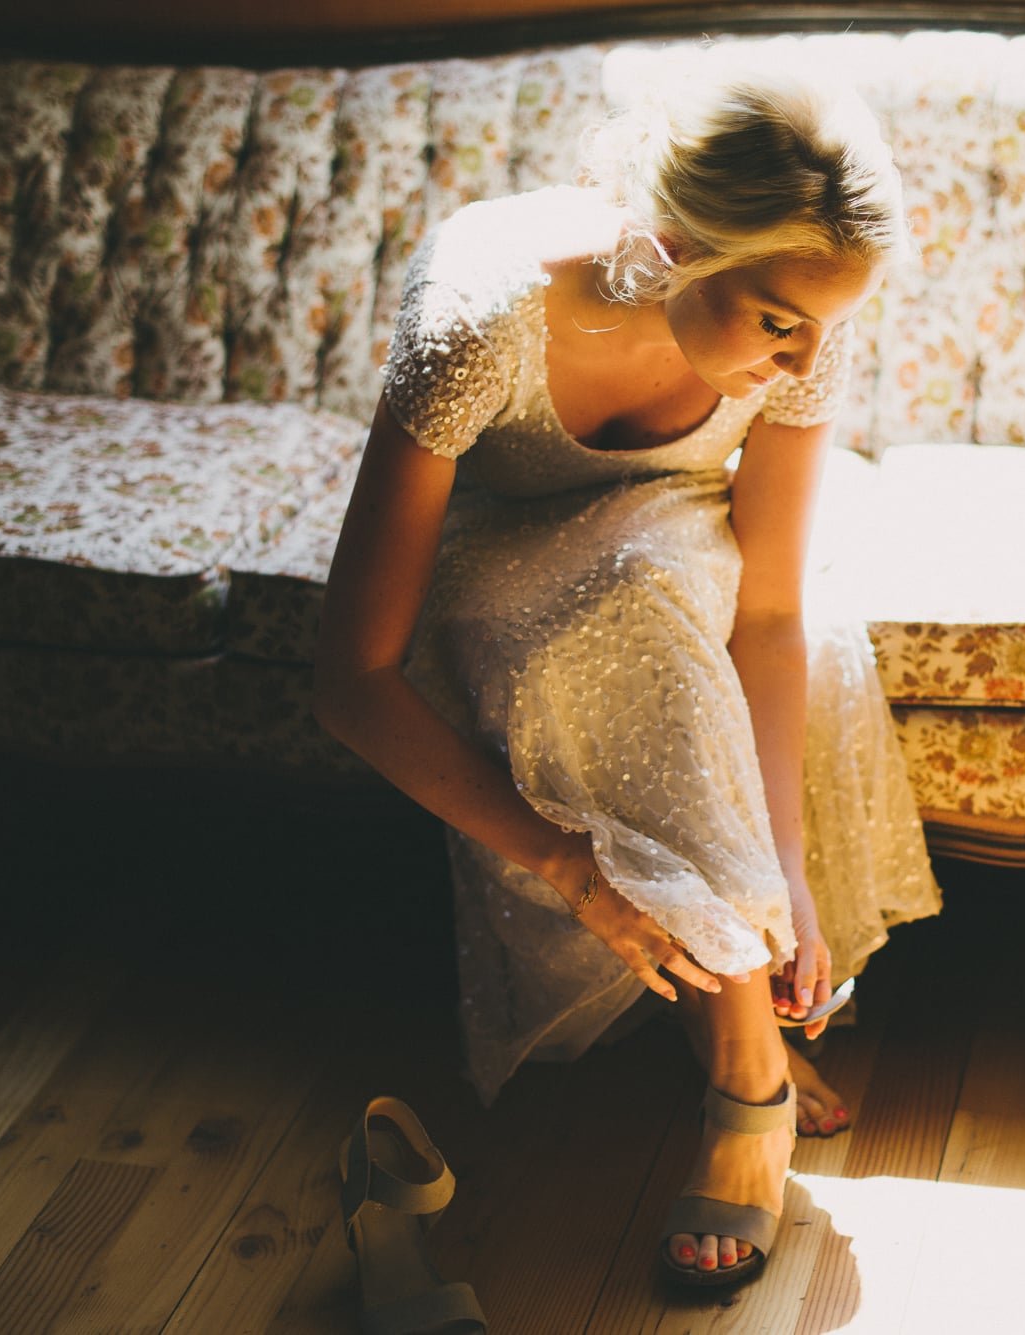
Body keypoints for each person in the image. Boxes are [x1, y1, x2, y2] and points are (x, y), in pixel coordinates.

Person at [311, 47, 942, 1290]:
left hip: (681, 545)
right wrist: (570, 869)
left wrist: (787, 885)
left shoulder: (801, 344)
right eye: (778, 325)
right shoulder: (480, 306)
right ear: (670, 246)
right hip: (495, 562)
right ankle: (748, 1075)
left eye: (825, 332)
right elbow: (349, 678)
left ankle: (739, 1033)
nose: (804, 362)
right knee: (617, 615)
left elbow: (764, 615)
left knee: (671, 601)